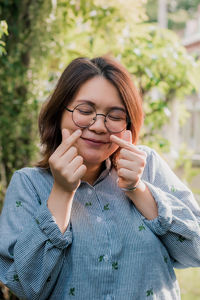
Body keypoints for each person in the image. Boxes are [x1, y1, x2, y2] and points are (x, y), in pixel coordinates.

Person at [0, 56, 200, 300]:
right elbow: (26, 286)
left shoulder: (148, 165)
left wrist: (138, 190)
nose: (98, 126)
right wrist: (62, 192)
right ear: (58, 113)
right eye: (85, 111)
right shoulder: (28, 185)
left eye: (115, 116)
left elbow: (195, 251)